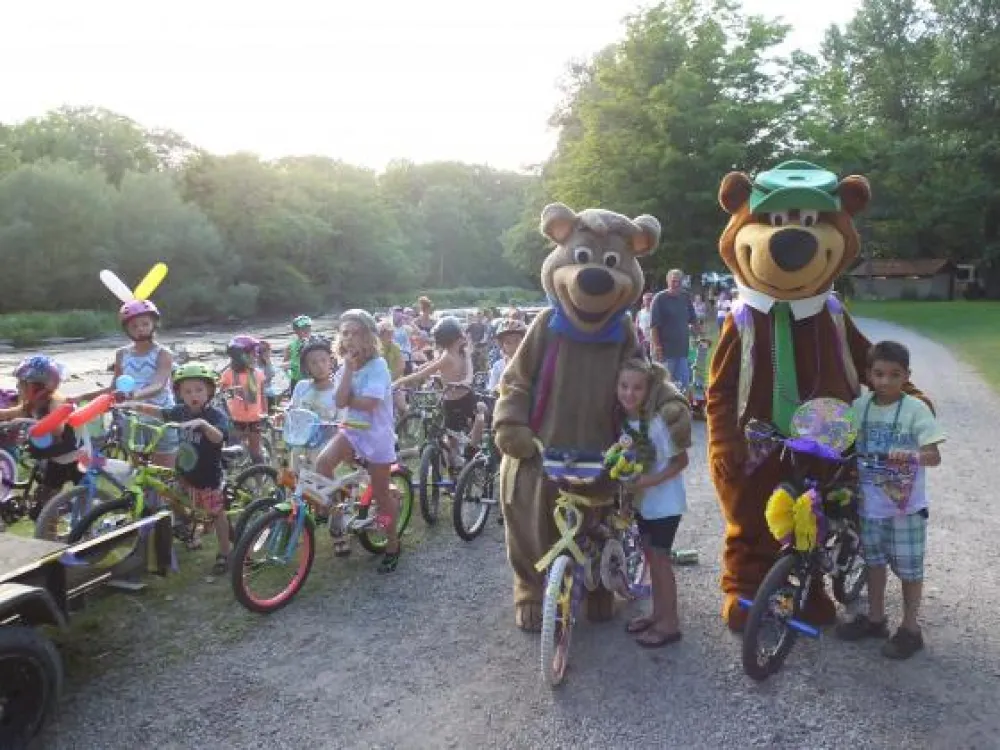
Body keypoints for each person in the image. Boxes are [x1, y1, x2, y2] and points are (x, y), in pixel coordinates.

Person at [836, 341, 944, 659]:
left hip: (906, 508)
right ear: (868, 374)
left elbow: (933, 456)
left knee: (910, 570)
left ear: (906, 376)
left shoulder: (916, 409)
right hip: (871, 505)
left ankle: (911, 629)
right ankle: (875, 619)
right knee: (874, 563)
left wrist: (911, 456)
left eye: (894, 375)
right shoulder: (860, 406)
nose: (885, 381)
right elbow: (841, 438)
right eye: (879, 374)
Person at [122, 364, 230, 574]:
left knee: (217, 513)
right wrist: (132, 405)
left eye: (199, 389)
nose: (193, 395)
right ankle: (191, 528)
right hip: (184, 473)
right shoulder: (180, 412)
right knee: (173, 498)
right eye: (187, 391)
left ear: (209, 390)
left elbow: (219, 438)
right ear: (179, 393)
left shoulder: (215, 416)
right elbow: (160, 413)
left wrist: (203, 424)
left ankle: (225, 552)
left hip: (207, 476)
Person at [315, 310, 400, 572]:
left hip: (376, 437)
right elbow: (339, 401)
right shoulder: (345, 368)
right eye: (345, 333)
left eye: (356, 333)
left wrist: (349, 397)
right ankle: (338, 513)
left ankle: (392, 543)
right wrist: (349, 371)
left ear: (368, 337)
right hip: (352, 431)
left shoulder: (379, 366)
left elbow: (370, 404)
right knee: (322, 464)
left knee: (382, 496)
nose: (350, 339)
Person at [614, 358, 690, 648]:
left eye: (637, 388)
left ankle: (670, 624)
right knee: (650, 558)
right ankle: (658, 615)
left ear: (649, 390)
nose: (629, 394)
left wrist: (647, 482)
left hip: (666, 504)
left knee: (660, 562)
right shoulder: (626, 423)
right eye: (624, 386)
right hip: (645, 505)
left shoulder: (657, 423)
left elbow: (680, 461)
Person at [80, 300, 177, 468]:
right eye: (134, 326)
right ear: (127, 329)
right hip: (132, 420)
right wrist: (81, 397)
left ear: (154, 324)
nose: (140, 328)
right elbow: (114, 387)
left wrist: (133, 395)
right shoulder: (122, 354)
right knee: (139, 473)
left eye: (145, 324)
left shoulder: (163, 353)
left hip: (160, 418)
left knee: (164, 473)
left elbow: (158, 385)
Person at [0, 357, 81, 527]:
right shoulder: (32, 403)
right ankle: (52, 532)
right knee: (41, 510)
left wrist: (29, 425)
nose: (17, 387)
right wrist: (11, 419)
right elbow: (9, 413)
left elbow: (57, 429)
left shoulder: (55, 401)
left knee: (86, 496)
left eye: (22, 384)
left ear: (38, 386)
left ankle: (77, 520)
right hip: (54, 459)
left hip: (74, 458)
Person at [393, 316, 483, 468]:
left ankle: (470, 450)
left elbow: (469, 370)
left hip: (466, 397)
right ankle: (454, 469)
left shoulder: (462, 353)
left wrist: (466, 381)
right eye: (460, 335)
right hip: (452, 401)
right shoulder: (447, 356)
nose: (463, 337)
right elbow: (428, 370)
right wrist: (399, 382)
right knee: (452, 440)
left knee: (479, 418)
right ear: (455, 338)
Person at [219, 336, 267, 464]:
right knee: (232, 452)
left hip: (255, 419)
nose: (256, 357)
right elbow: (221, 393)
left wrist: (265, 413)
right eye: (252, 354)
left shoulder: (258, 373)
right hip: (235, 420)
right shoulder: (228, 374)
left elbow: (262, 395)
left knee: (255, 453)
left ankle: (260, 479)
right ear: (240, 356)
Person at [650, 269, 698, 392]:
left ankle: (682, 410)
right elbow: (654, 326)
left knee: (683, 386)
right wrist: (658, 348)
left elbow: (693, 319)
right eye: (673, 281)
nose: (676, 284)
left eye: (679, 281)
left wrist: (699, 335)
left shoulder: (685, 297)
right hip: (665, 352)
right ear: (668, 281)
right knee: (664, 386)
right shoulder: (659, 298)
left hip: (682, 351)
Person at [290, 336, 340, 422]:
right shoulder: (302, 386)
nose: (320, 366)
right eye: (313, 363)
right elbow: (293, 411)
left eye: (323, 360)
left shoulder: (339, 391)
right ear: (306, 367)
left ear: (331, 362)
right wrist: (285, 415)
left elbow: (341, 422)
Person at [487, 318, 527, 393]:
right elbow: (491, 391)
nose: (514, 346)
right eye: (508, 342)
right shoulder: (499, 366)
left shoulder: (532, 364)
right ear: (502, 346)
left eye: (517, 340)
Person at [378, 318, 407, 416]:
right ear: (380, 335)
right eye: (388, 334)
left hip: (395, 380)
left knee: (402, 406)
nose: (390, 336)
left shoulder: (395, 347)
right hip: (380, 383)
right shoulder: (375, 348)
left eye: (391, 333)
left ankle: (405, 425)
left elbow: (401, 366)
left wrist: (391, 381)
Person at [284, 315, 313, 392]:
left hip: (312, 379)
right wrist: (289, 376)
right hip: (296, 381)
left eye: (308, 327)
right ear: (296, 331)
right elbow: (284, 365)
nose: (307, 330)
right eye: (303, 328)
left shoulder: (316, 343)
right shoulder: (290, 347)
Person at [390, 306, 415, 375]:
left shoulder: (407, 328)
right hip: (393, 359)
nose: (396, 317)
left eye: (398, 314)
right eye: (394, 315)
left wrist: (408, 319)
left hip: (406, 358)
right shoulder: (389, 328)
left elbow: (417, 333)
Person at [636, 292, 654, 358]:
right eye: (646, 299)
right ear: (643, 301)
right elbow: (637, 326)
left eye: (650, 299)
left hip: (653, 341)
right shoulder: (640, 313)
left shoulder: (655, 312)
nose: (648, 301)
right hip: (643, 341)